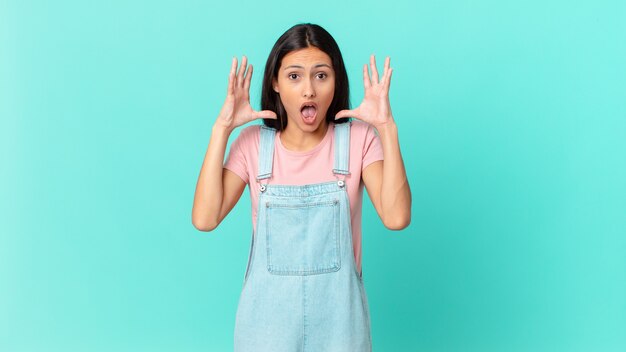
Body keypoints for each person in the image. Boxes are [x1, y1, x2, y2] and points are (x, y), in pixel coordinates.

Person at [192, 23, 411, 351]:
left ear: (336, 83)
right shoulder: (253, 144)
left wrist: (387, 128)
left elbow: (397, 218)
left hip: (341, 331)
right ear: (275, 83)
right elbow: (205, 219)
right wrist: (221, 128)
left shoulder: (359, 141)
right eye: (294, 76)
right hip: (264, 332)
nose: (309, 90)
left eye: (321, 75)